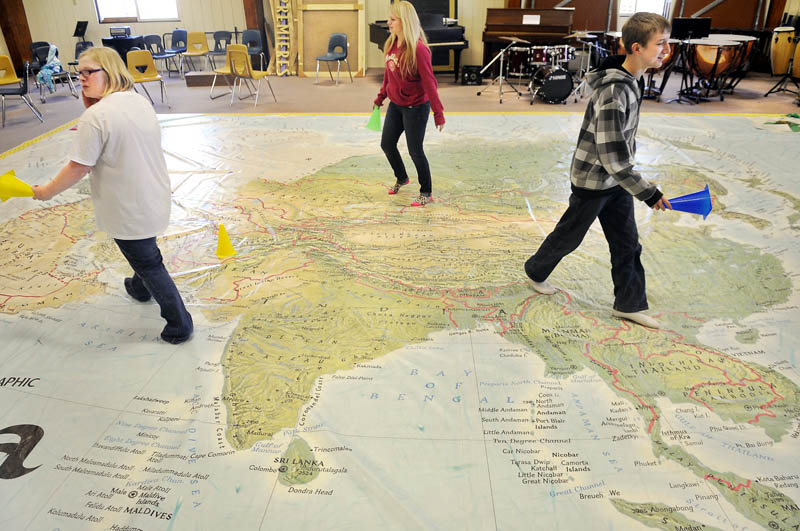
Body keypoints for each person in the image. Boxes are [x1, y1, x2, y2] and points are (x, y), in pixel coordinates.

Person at [32, 47, 193, 344]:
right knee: (143, 253)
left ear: (110, 71)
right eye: (78, 72)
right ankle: (139, 287)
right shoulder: (138, 101)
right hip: (152, 196)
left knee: (148, 262)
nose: (81, 78)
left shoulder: (96, 116)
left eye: (89, 72)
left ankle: (179, 324)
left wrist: (45, 192)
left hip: (128, 206)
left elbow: (78, 166)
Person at [524, 12, 673, 329]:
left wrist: (634, 183)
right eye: (659, 44)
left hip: (616, 182)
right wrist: (649, 193)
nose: (666, 50)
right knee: (569, 236)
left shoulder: (635, 79)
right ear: (636, 48)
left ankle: (629, 303)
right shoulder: (614, 92)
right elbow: (612, 157)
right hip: (594, 181)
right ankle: (536, 270)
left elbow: (620, 155)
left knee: (627, 243)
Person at [374, 0, 445, 207]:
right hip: (396, 104)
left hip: (416, 107)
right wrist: (380, 98)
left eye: (393, 19)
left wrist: (438, 113)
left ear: (404, 22)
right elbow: (389, 76)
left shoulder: (419, 50)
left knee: (415, 150)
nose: (389, 22)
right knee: (386, 144)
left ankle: (426, 191)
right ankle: (402, 177)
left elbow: (430, 83)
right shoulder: (391, 44)